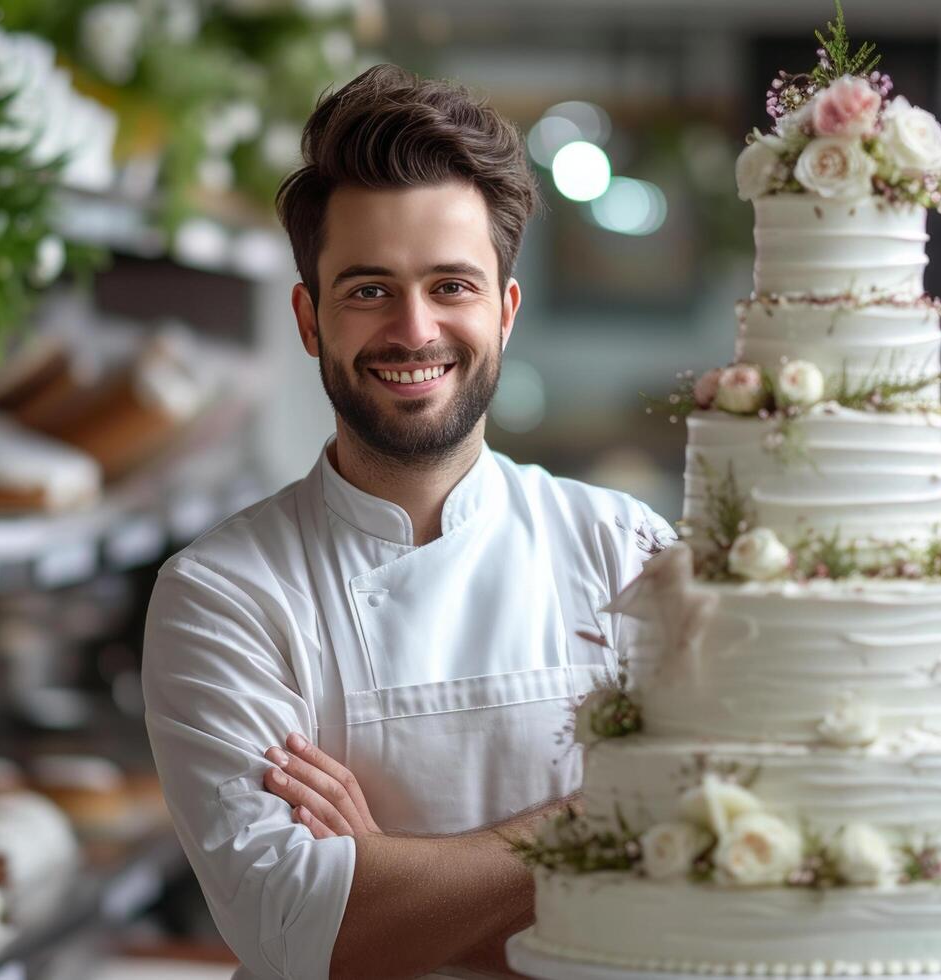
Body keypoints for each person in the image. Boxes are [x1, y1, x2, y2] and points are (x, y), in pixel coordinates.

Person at [140, 63, 669, 980]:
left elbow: (713, 878)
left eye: (451, 286)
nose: (414, 330)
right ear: (309, 318)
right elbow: (304, 932)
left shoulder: (627, 550)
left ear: (505, 312)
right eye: (368, 290)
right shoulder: (222, 596)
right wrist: (606, 820)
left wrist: (388, 875)